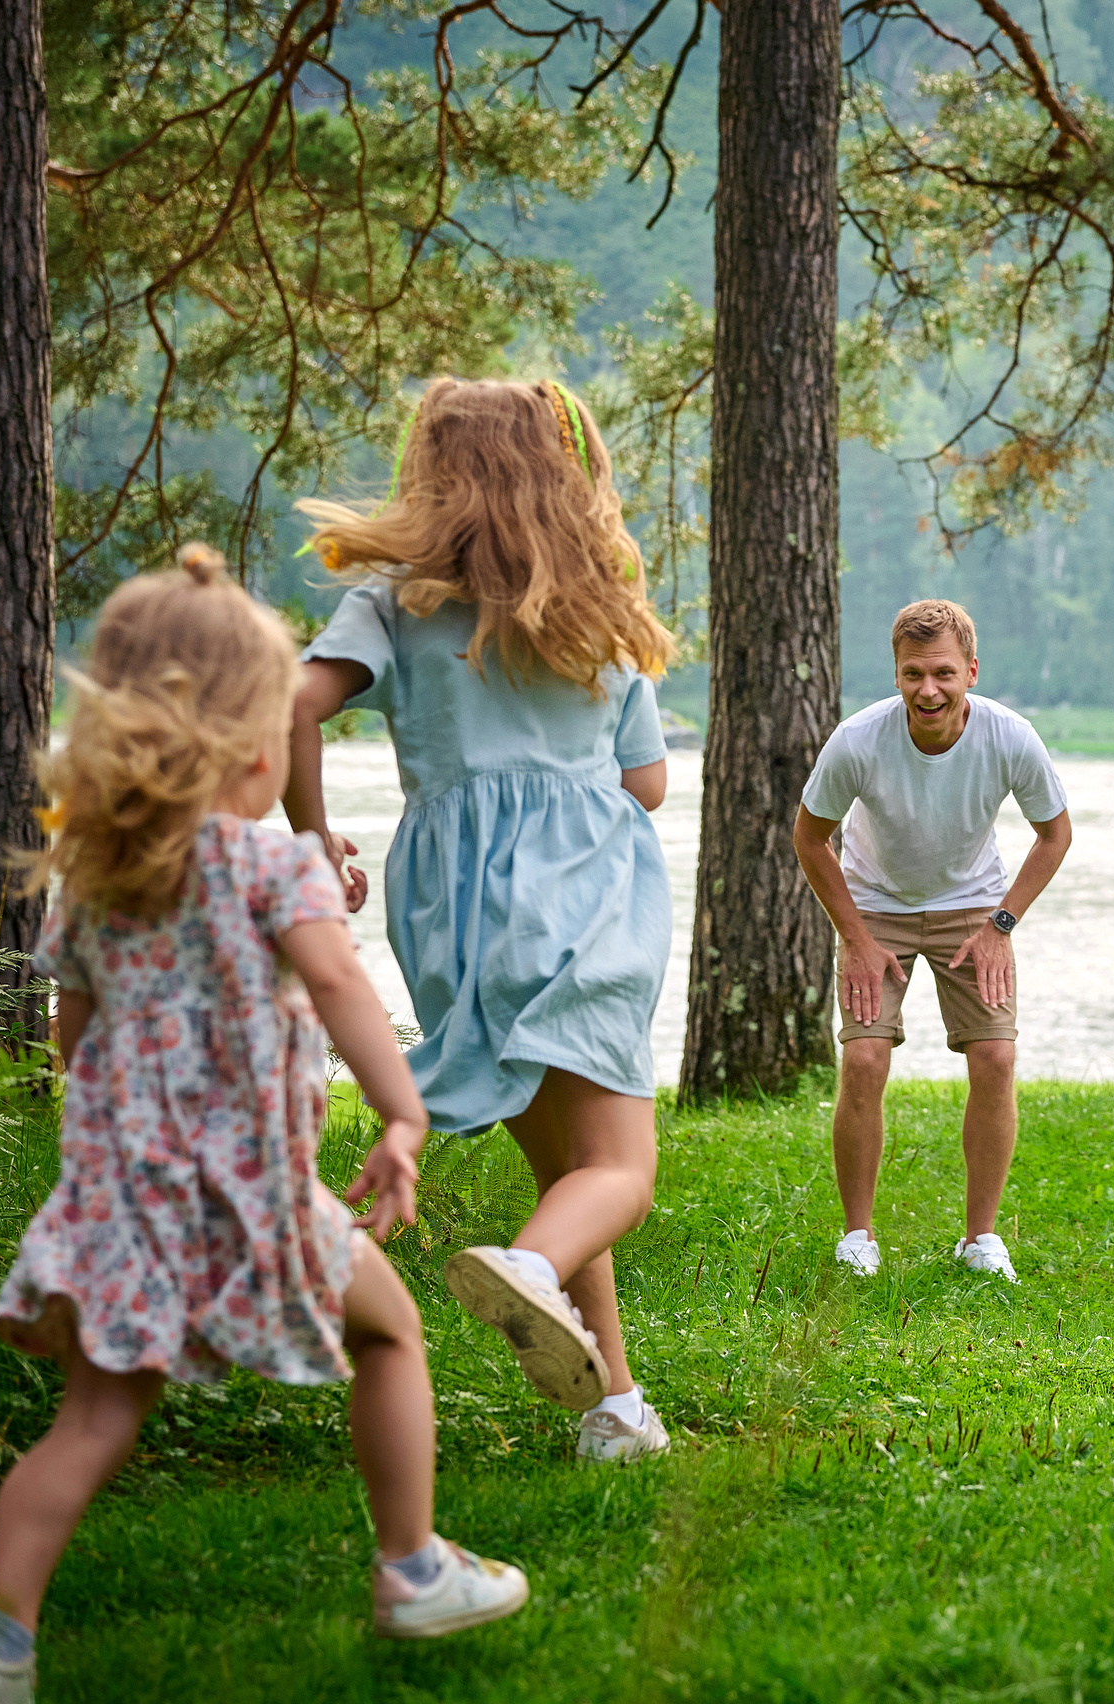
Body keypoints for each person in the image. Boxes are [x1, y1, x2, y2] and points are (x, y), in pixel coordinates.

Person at [0, 549, 526, 1704]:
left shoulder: (97, 879)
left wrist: (101, 1172)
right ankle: (411, 1569)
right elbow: (344, 991)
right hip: (258, 1191)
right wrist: (401, 1114)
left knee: (90, 1421)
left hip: (129, 1195)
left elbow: (74, 1039)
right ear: (250, 738)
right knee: (390, 1337)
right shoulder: (268, 865)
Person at [284, 377, 677, 1463]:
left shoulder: (395, 596)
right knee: (620, 1175)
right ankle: (529, 1269)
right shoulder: (599, 598)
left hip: (448, 901)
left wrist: (311, 838)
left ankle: (615, 1408)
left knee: (568, 1173)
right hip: (583, 887)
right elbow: (644, 783)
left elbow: (295, 709)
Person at [794, 599, 1073, 1283]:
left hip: (973, 905)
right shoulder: (858, 740)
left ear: (970, 671)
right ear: (895, 674)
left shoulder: (1010, 738)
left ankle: (981, 1240)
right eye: (913, 673)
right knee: (862, 1062)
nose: (929, 690)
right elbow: (810, 837)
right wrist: (854, 938)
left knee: (996, 1060)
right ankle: (858, 1237)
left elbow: (1055, 834)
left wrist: (1000, 927)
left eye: (943, 673)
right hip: (874, 906)